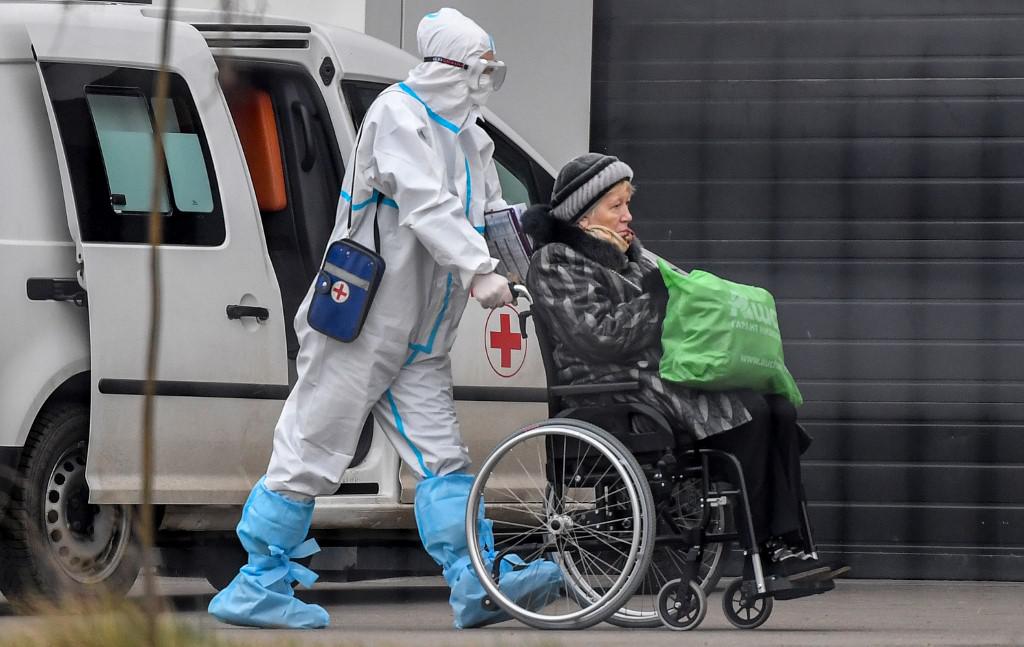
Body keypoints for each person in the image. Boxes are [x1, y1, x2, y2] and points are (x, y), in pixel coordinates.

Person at [208, 8, 561, 630]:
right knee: (312, 447)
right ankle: (257, 581)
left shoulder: (472, 137)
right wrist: (481, 272)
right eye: (481, 68)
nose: (485, 82)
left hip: (422, 336)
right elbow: (424, 204)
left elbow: (496, 213)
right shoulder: (396, 116)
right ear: (448, 66)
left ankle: (476, 580)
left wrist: (522, 268)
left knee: (441, 460)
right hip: (359, 324)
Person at [522, 152, 846, 584]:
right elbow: (599, 339)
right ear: (582, 215)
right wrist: (658, 295)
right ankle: (766, 555)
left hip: (657, 380)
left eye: (626, 203)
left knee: (778, 407)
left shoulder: (634, 257)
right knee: (752, 415)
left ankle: (790, 546)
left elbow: (680, 307)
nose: (627, 215)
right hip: (611, 390)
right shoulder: (555, 262)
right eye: (615, 206)